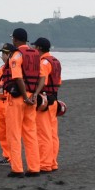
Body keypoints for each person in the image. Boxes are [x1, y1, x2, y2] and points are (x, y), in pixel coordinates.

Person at [5, 28, 41, 178]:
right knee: (30, 134)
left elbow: (18, 78)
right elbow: (41, 77)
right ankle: (34, 167)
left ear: (16, 39)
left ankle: (17, 169)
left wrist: (25, 96)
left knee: (14, 134)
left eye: (13, 38)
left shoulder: (16, 55)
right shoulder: (36, 55)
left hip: (18, 98)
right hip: (32, 97)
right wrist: (34, 95)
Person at [31, 37, 62, 173]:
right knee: (52, 133)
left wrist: (35, 93)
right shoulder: (56, 61)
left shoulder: (43, 62)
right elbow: (59, 82)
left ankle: (44, 164)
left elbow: (42, 80)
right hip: (54, 99)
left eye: (35, 47)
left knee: (43, 134)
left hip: (44, 101)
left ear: (39, 48)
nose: (33, 49)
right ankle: (53, 162)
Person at [0, 43, 15, 166]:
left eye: (4, 54)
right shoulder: (1, 69)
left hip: (8, 101)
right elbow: (0, 86)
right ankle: (6, 154)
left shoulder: (14, 68)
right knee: (2, 131)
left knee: (10, 131)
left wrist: (0, 88)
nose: (2, 56)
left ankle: (10, 156)